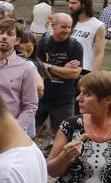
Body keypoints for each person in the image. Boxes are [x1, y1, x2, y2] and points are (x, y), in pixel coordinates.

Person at [34, 13, 84, 143]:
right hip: (41, 97)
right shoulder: (42, 44)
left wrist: (47, 66)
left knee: (61, 136)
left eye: (69, 27)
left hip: (64, 100)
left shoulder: (76, 46)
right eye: (63, 27)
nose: (67, 30)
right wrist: (63, 69)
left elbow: (74, 74)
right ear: (53, 26)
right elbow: (35, 68)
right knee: (32, 131)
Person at [69, 0, 106, 73]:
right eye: (70, 3)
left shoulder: (98, 25)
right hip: (66, 68)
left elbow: (99, 54)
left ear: (84, 4)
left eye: (74, 3)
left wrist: (92, 75)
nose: (70, 6)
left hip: (85, 69)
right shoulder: (68, 23)